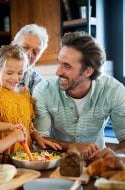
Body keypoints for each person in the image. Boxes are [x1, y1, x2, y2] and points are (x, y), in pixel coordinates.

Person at [33, 31, 125, 160]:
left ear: (88, 70)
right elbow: (39, 139)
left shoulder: (113, 90)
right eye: (59, 63)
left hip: (97, 162)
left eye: (67, 66)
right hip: (57, 164)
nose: (58, 72)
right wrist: (71, 146)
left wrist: (116, 155)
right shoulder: (44, 90)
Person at [0, 45, 61, 164]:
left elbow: (28, 126)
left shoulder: (25, 93)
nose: (15, 78)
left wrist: (38, 138)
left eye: (20, 73)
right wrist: (10, 126)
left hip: (26, 158)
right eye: (9, 73)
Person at [0, 24, 48, 92]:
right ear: (13, 45)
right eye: (25, 47)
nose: (29, 55)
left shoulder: (36, 82)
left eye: (35, 52)